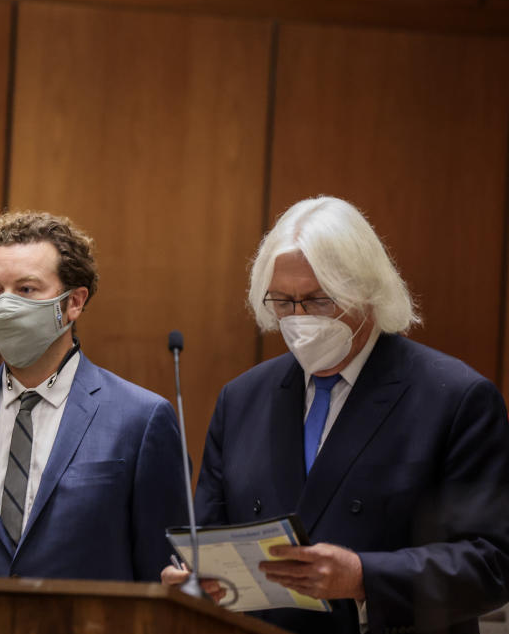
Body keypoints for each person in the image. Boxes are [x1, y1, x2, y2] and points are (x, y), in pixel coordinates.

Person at [162, 196, 509, 634]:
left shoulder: (456, 398)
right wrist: (193, 578)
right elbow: (211, 539)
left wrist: (364, 577)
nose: (299, 318)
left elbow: (492, 564)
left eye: (319, 300)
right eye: (283, 302)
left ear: (366, 291)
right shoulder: (242, 399)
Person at [0, 211, 187, 581]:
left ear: (73, 302)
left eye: (26, 289)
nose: (4, 306)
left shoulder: (140, 419)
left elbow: (161, 574)